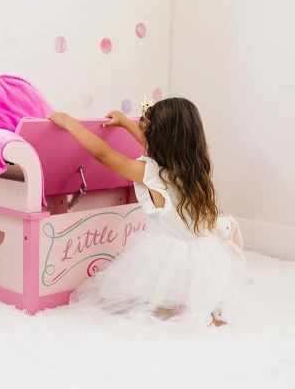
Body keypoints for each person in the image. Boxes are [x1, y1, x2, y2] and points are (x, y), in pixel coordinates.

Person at [47, 97, 247, 327]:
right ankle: (196, 307)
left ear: (158, 140)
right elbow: (157, 144)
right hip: (201, 257)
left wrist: (71, 124)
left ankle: (188, 312)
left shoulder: (152, 174)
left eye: (147, 134)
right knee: (178, 299)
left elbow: (104, 155)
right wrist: (125, 123)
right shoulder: (195, 169)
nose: (144, 138)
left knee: (147, 304)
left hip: (172, 262)